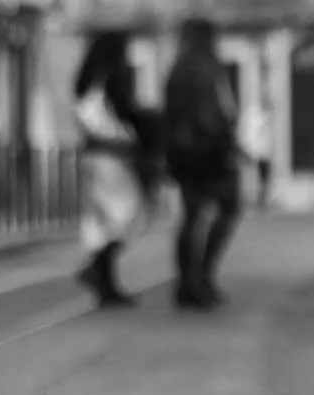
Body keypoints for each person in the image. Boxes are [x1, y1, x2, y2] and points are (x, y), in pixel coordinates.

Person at [162, 18, 242, 309]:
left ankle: (187, 281)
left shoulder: (176, 71)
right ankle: (201, 276)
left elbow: (169, 117)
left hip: (183, 156)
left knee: (191, 216)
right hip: (209, 153)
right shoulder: (209, 69)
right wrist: (227, 144)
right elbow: (218, 114)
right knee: (228, 209)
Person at [72, 29, 149, 307]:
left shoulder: (85, 81)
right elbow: (125, 116)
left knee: (104, 224)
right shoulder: (110, 81)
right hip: (110, 158)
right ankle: (96, 269)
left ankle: (106, 284)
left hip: (93, 157)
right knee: (128, 218)